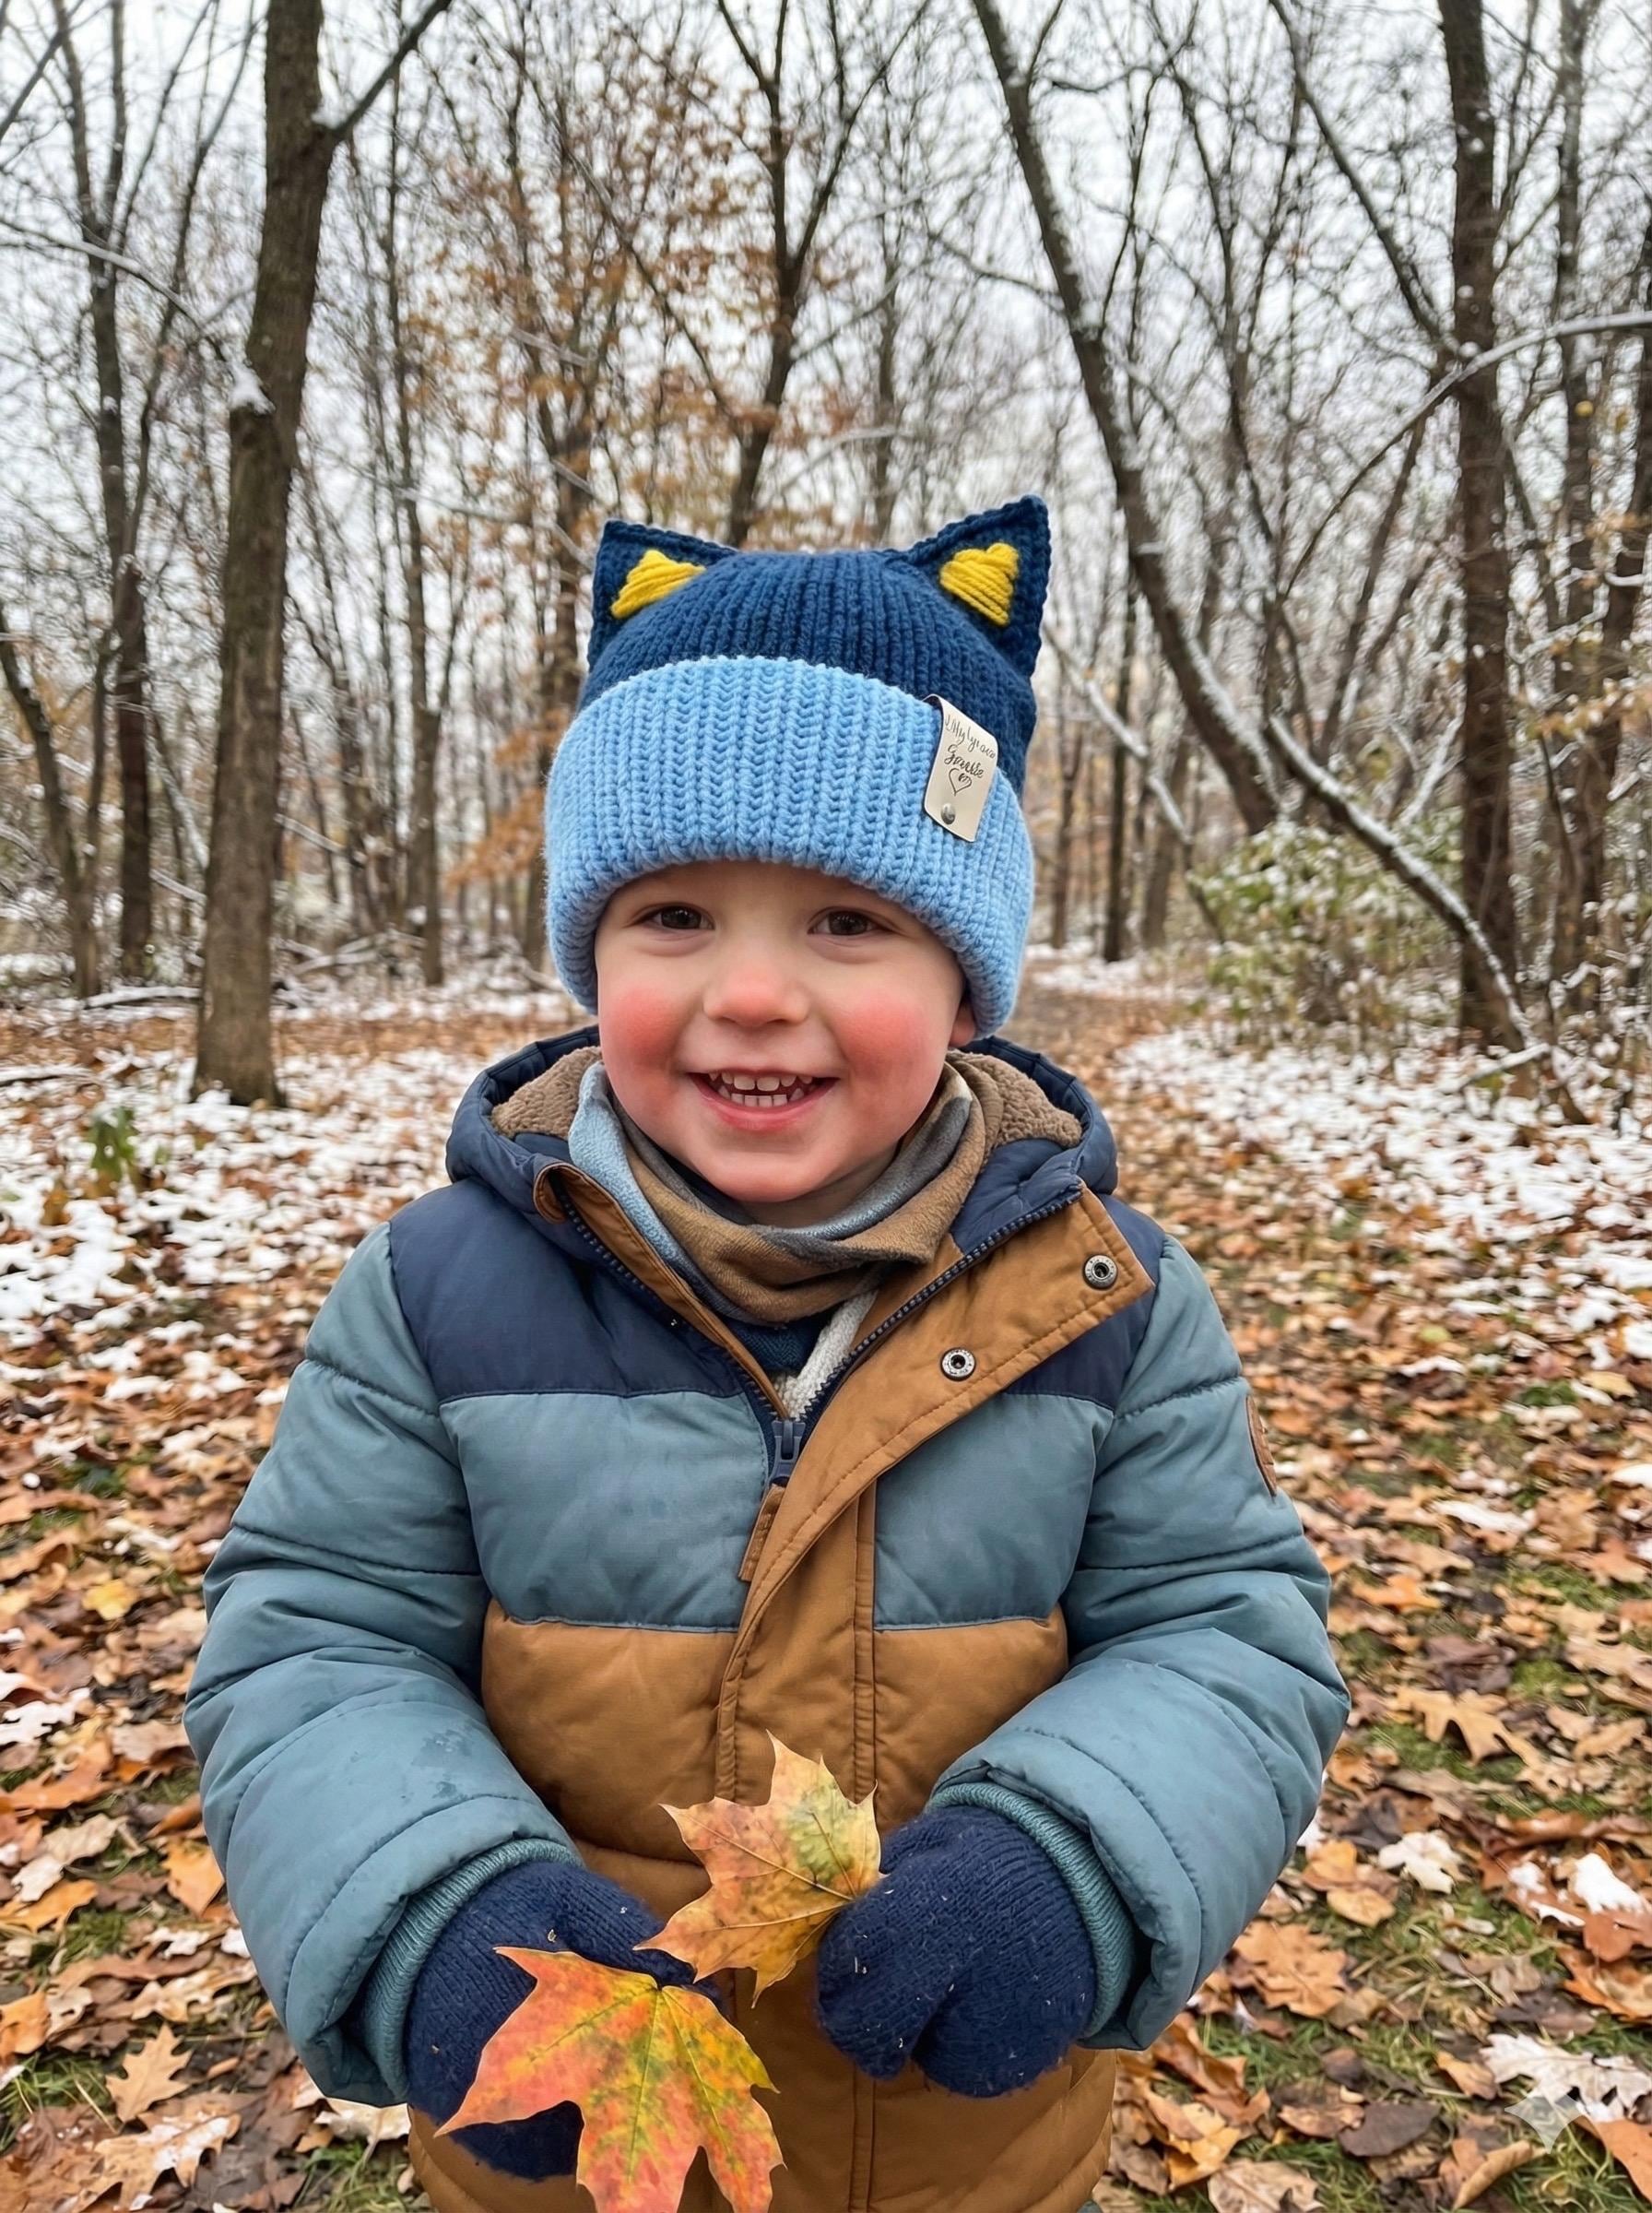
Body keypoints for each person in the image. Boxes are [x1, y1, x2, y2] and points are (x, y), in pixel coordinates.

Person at [185, 496, 1349, 2213]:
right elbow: (314, 1640)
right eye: (673, 916)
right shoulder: (441, 1296)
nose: (748, 992)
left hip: (954, 2151)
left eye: (846, 923)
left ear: (966, 982)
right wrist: (428, 1904)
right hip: (578, 2154)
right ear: (590, 954)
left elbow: (1227, 1633)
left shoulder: (1109, 1304)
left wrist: (1080, 1856)